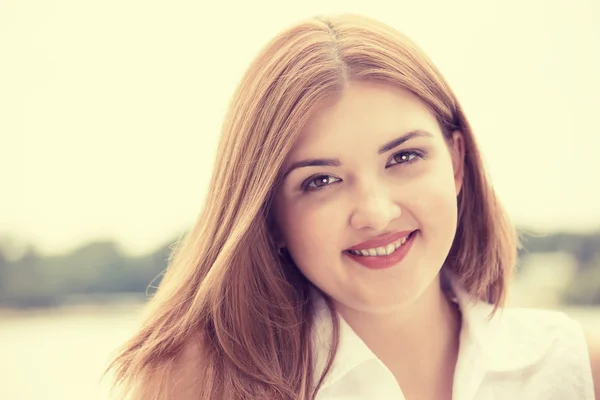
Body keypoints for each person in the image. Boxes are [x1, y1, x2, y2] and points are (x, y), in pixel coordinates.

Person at [104, 13, 599, 399]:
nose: (376, 212)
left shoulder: (575, 369)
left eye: (404, 157)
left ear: (456, 165)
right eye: (321, 180)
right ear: (269, 216)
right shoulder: (197, 388)